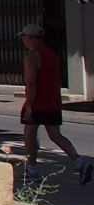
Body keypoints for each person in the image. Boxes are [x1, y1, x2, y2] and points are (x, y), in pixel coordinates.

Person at [19, 22, 91, 184]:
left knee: (29, 133)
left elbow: (31, 82)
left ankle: (32, 169)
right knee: (55, 134)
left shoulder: (32, 56)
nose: (23, 40)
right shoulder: (51, 55)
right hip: (53, 101)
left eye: (24, 37)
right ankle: (79, 162)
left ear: (30, 38)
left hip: (38, 102)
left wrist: (29, 106)